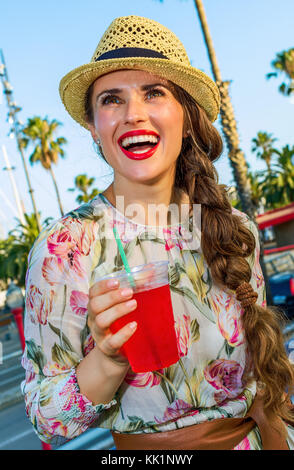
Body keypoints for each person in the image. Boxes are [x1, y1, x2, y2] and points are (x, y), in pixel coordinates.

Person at [21, 15, 294, 450]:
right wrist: (107, 360)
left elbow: (264, 378)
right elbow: (47, 421)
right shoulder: (66, 248)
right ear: (93, 126)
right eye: (112, 99)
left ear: (185, 117)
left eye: (154, 92)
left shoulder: (233, 228)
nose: (134, 114)